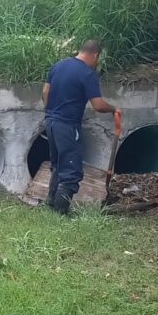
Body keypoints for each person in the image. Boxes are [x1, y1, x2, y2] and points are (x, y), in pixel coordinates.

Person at [41, 40, 121, 215]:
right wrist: (113, 109)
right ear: (95, 55)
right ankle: (60, 213)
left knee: (58, 165)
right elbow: (98, 105)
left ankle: (51, 204)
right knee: (72, 172)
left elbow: (45, 91)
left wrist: (50, 112)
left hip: (51, 123)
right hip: (67, 126)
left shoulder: (59, 65)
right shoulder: (87, 74)